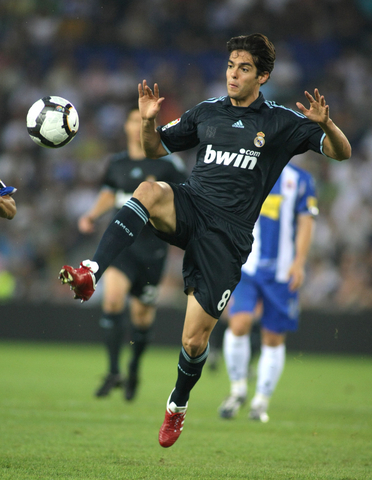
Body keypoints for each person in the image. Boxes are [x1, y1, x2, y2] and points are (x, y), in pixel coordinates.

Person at [59, 33, 351, 448]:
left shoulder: (282, 122)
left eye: (244, 67)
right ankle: (91, 271)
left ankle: (177, 404)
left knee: (194, 340)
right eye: (231, 65)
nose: (233, 73)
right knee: (148, 189)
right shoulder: (207, 112)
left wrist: (327, 125)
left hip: (227, 236)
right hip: (192, 204)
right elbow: (155, 147)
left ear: (263, 76)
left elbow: (342, 153)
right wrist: (146, 120)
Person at [77, 106, 187, 400]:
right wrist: (92, 215)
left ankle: (134, 368)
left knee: (141, 319)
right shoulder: (116, 164)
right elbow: (108, 195)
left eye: (143, 121)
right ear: (125, 127)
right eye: (132, 120)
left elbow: (187, 199)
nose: (137, 125)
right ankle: (113, 371)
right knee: (112, 300)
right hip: (121, 248)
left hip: (153, 252)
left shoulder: (168, 165)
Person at [218, 162, 318, 422]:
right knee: (239, 323)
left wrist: (299, 262)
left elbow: (306, 221)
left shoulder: (300, 179)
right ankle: (237, 390)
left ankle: (261, 401)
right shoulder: (248, 171)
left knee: (273, 338)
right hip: (247, 268)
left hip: (282, 274)